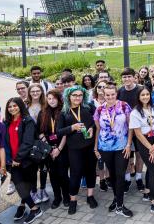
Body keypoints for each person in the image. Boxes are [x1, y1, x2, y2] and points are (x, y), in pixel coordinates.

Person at [93, 84, 134, 217]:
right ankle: (116, 199)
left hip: (122, 147)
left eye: (112, 94)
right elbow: (98, 129)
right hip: (105, 147)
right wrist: (95, 147)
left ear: (116, 94)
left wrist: (129, 144)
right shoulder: (99, 109)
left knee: (120, 175)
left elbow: (131, 127)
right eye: (107, 95)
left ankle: (120, 206)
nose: (110, 97)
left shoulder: (124, 106)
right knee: (113, 175)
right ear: (103, 95)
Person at [57, 86, 98, 214]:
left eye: (80, 95)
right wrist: (72, 128)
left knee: (91, 171)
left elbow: (96, 122)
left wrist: (92, 128)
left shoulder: (89, 107)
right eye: (74, 95)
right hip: (74, 149)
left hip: (90, 146)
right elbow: (58, 132)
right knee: (75, 174)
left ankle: (90, 196)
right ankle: (73, 200)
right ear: (69, 96)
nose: (77, 98)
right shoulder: (64, 112)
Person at [4, 97, 43, 223]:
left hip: (26, 160)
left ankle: (27, 207)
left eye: (15, 106)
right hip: (12, 161)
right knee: (19, 184)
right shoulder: (6, 122)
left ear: (20, 106)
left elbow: (27, 142)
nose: (12, 108)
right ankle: (34, 208)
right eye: (9, 106)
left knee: (25, 184)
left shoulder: (27, 121)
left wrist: (18, 158)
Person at [39, 89, 72, 210]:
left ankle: (66, 196)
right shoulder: (43, 113)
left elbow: (64, 133)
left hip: (62, 149)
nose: (52, 101)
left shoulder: (63, 112)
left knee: (63, 174)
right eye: (49, 98)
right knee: (52, 175)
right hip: (48, 150)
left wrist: (58, 149)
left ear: (59, 99)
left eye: (54, 98)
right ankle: (57, 197)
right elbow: (40, 132)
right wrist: (49, 148)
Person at [117, 68, 144, 192]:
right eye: (124, 77)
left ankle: (139, 177)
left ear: (134, 77)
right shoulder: (119, 91)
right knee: (126, 155)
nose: (126, 79)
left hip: (139, 128)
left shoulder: (140, 90)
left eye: (129, 76)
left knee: (139, 154)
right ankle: (127, 179)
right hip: (125, 130)